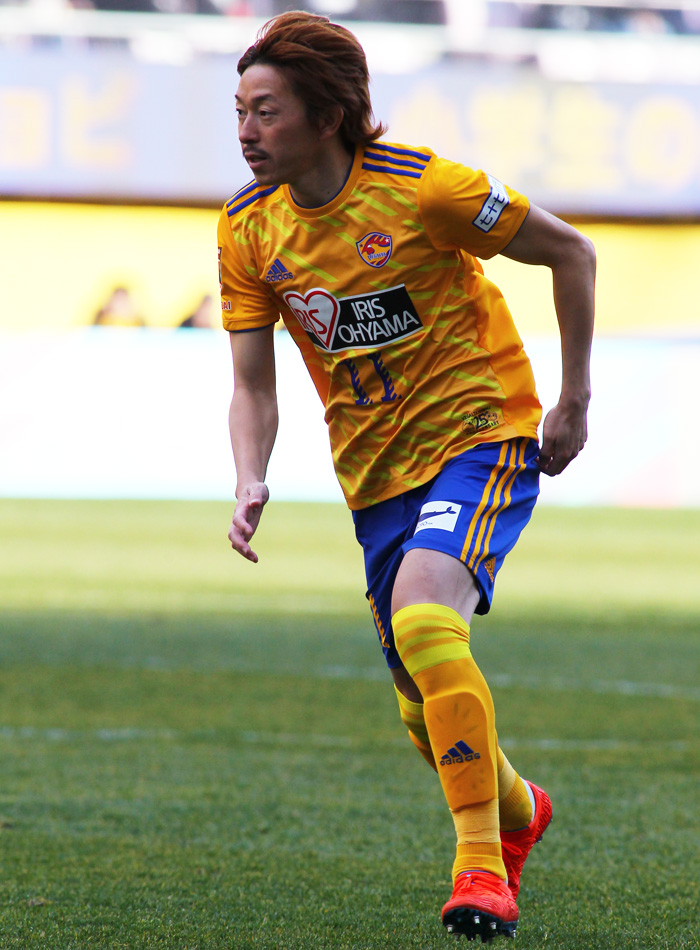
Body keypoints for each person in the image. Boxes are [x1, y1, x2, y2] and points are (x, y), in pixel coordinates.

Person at [218, 10, 595, 942]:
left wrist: (573, 400)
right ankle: (519, 808)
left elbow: (571, 252)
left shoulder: (427, 188)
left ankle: (481, 871)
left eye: (266, 110)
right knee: (421, 708)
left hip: (482, 433)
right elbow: (252, 384)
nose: (247, 131)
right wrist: (250, 475)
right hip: (376, 476)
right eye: (240, 111)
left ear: (328, 115)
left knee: (427, 619)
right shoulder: (247, 230)